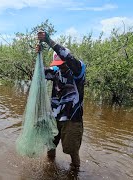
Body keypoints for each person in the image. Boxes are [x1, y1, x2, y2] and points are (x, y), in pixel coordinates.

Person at [36, 31, 86, 170]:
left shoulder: (78, 71)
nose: (62, 66)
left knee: (72, 150)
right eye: (58, 63)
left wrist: (48, 41)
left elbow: (69, 59)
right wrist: (38, 54)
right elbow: (39, 72)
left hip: (72, 118)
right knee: (50, 147)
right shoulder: (55, 71)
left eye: (63, 63)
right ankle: (50, 170)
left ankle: (75, 171)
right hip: (54, 118)